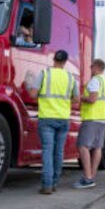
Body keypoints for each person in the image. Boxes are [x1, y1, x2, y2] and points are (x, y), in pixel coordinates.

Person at [35, 50, 79, 194]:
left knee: (48, 151)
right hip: (63, 118)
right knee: (58, 151)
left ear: (53, 60)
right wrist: (64, 103)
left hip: (46, 117)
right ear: (65, 62)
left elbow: (33, 93)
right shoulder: (70, 77)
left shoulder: (45, 73)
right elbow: (77, 99)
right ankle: (54, 183)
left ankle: (47, 185)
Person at [74, 58, 105, 189]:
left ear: (96, 67)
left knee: (83, 146)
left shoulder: (95, 80)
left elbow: (92, 99)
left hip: (91, 118)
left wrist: (80, 97)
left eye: (91, 66)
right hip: (101, 118)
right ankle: (91, 176)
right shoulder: (104, 81)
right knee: (97, 148)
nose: (90, 68)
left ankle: (87, 178)